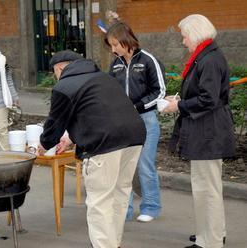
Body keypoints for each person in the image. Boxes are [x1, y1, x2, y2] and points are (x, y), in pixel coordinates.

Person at [38, 50, 146, 248]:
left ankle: (105, 245)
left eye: (55, 72)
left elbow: (55, 123)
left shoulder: (65, 85)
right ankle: (113, 242)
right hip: (134, 137)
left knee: (100, 202)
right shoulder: (103, 78)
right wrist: (70, 138)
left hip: (104, 143)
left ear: (61, 68)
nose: (56, 77)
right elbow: (98, 112)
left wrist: (43, 145)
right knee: (119, 195)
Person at [163, 14, 235, 248]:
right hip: (207, 128)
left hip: (208, 130)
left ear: (195, 34)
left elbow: (208, 99)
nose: (183, 41)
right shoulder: (207, 55)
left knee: (206, 189)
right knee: (208, 187)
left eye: (184, 36)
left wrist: (179, 105)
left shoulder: (208, 59)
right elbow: (206, 95)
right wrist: (180, 100)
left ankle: (210, 241)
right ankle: (212, 232)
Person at [105, 20, 166, 222]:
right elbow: (110, 91)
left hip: (146, 119)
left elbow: (160, 91)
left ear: (125, 40)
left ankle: (151, 207)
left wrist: (136, 106)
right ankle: (125, 209)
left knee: (145, 165)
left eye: (115, 44)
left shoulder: (148, 60)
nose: (113, 49)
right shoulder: (115, 64)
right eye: (111, 45)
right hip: (123, 122)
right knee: (124, 167)